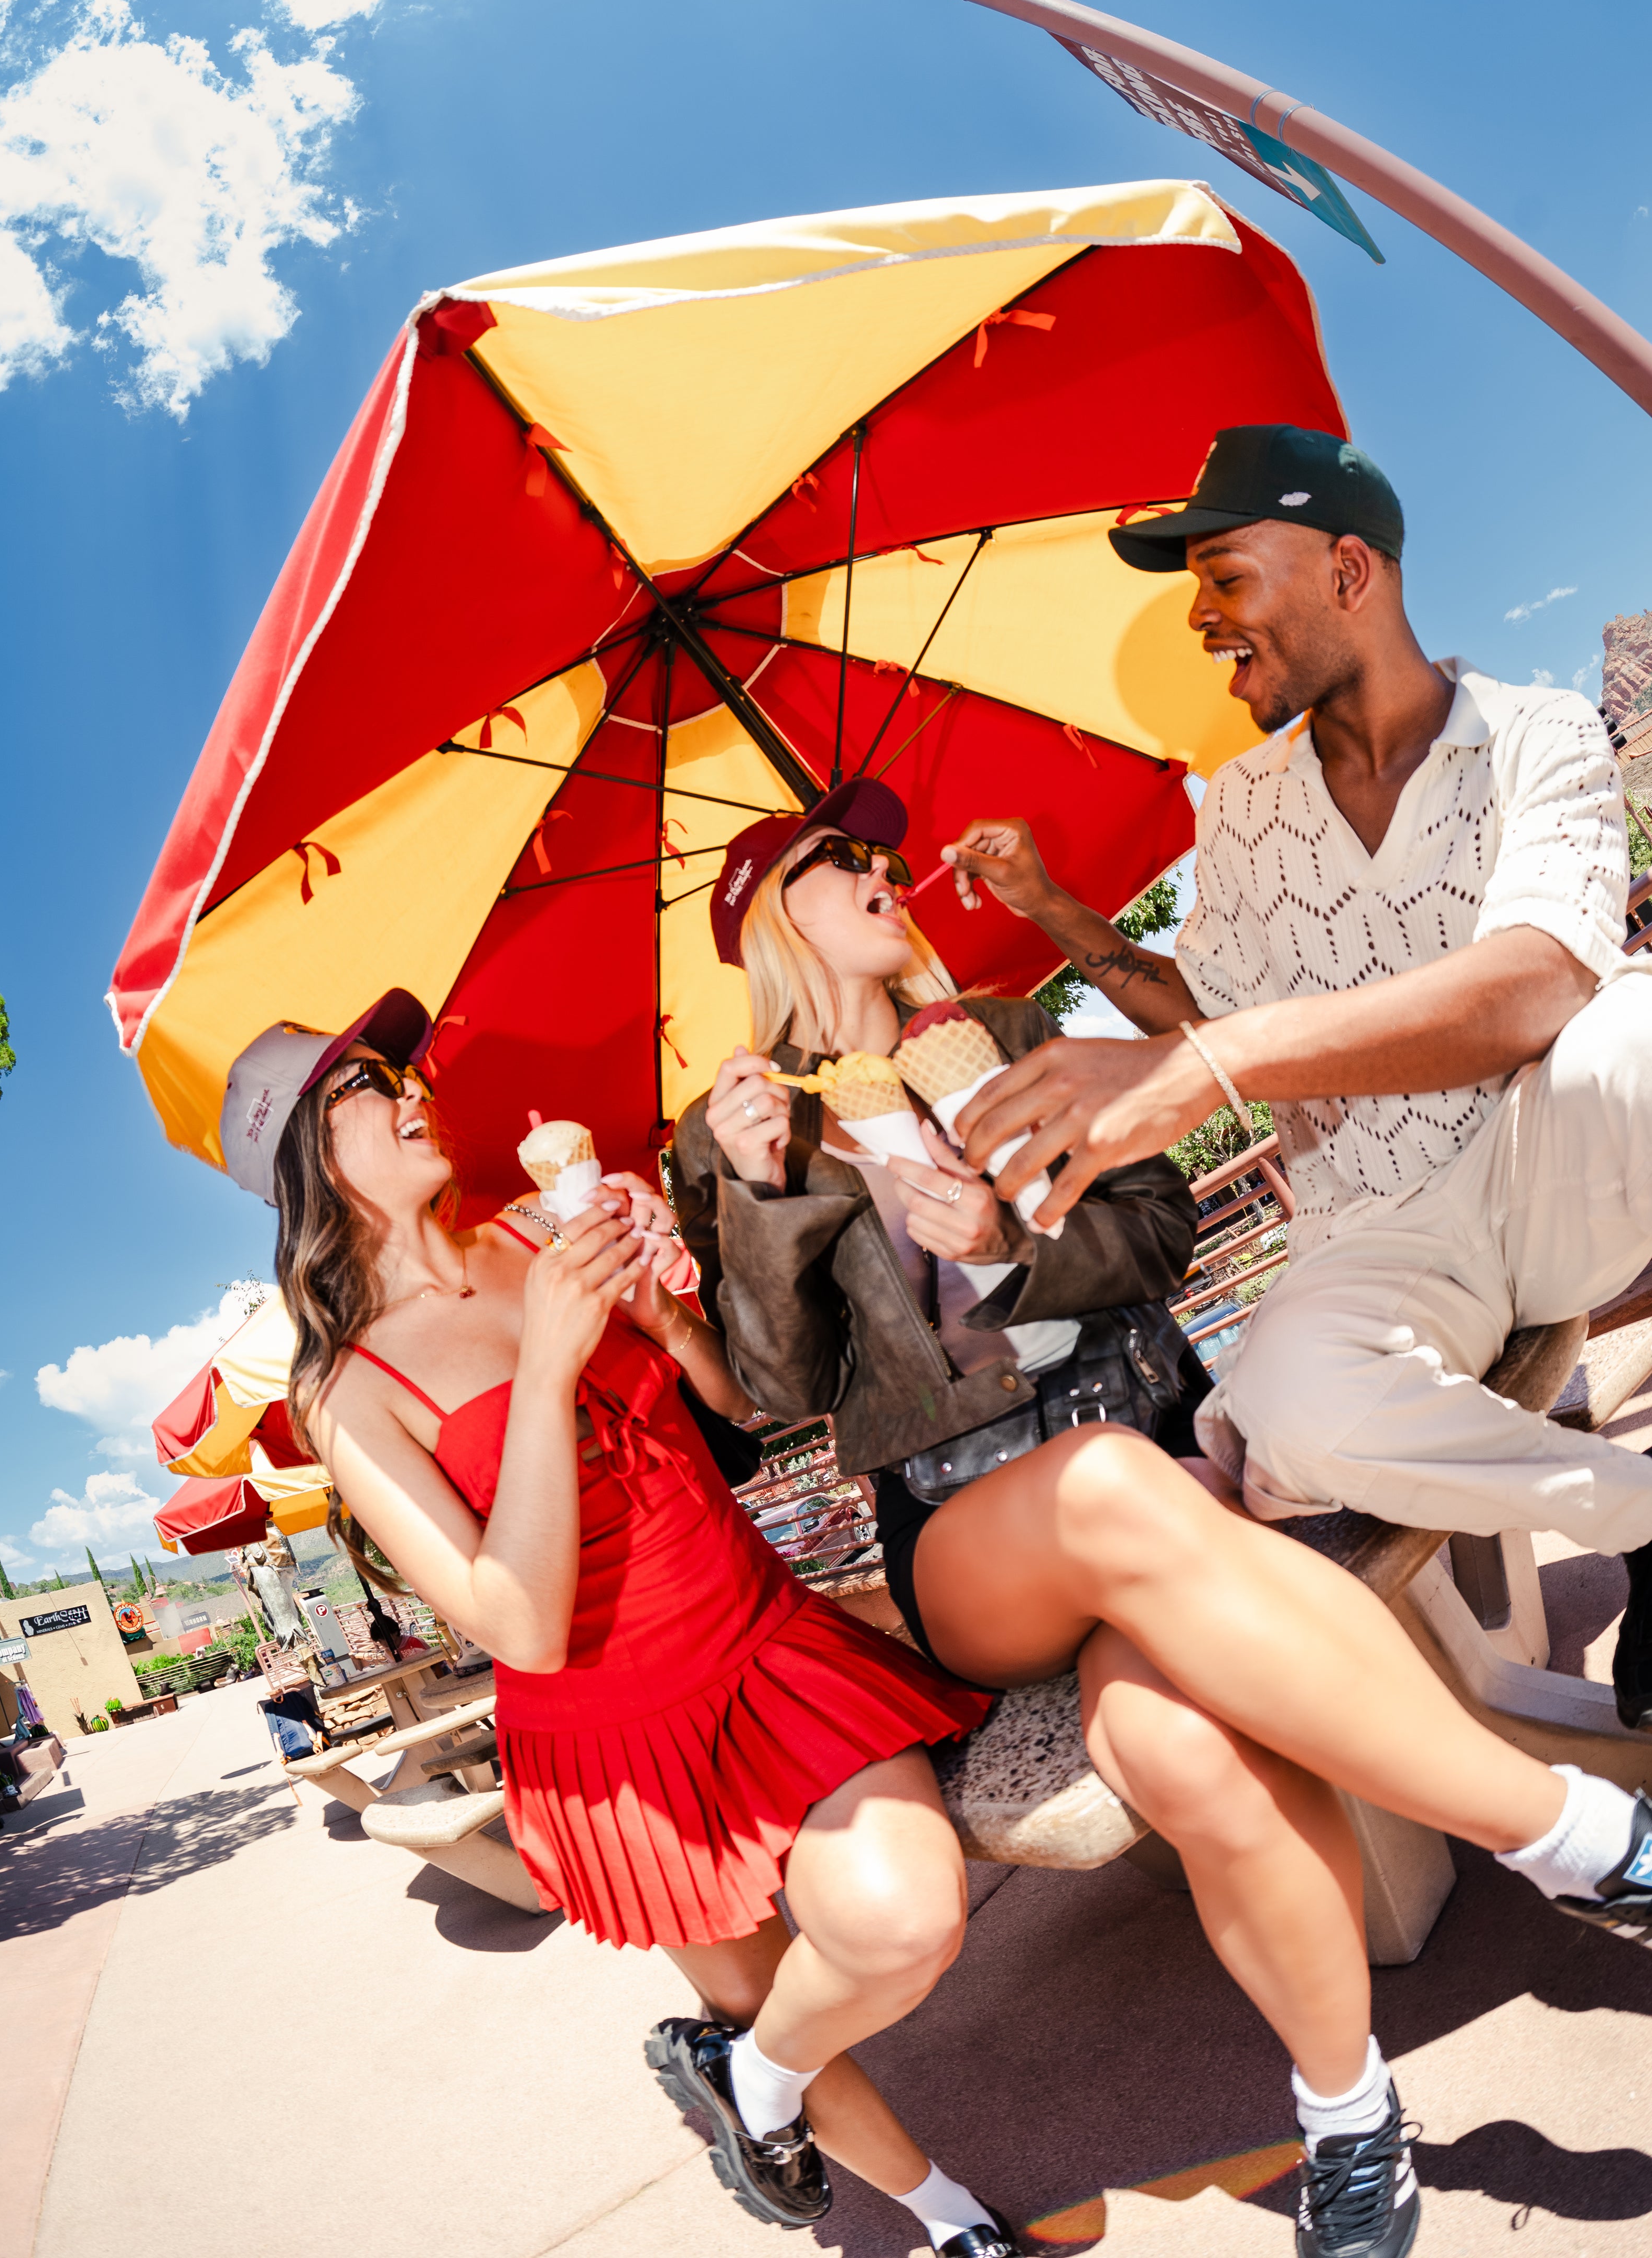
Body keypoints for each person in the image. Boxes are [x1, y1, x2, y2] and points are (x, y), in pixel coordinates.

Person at [676, 780, 1652, 2258]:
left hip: (1145, 1458)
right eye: (834, 864)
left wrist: (1011, 1241)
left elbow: (1163, 1229)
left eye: (882, 851)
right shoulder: (747, 1130)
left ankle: (1350, 2124)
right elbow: (778, 1392)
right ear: (771, 920)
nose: (881, 872)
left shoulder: (1014, 1038)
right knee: (1105, 1492)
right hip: (970, 1544)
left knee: (1178, 1743)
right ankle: (1577, 1833)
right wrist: (758, 1199)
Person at [218, 990, 1017, 2257]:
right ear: (308, 1147)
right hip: (617, 1743)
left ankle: (749, 2086)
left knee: (900, 1922)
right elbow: (513, 1624)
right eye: (373, 1079)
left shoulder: (536, 1234)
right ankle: (949, 2219)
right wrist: (543, 1363)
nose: (414, 1086)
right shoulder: (349, 1391)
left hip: (764, 1644)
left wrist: (663, 1318)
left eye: (402, 1065)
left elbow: (744, 1427)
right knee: (761, 1990)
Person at [936, 423, 1652, 1726]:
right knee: (1296, 1412)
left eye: (1225, 578)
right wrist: (1054, 908)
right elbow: (1208, 1012)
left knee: (1639, 1030)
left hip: (1541, 1171)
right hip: (1371, 1232)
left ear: (1346, 572)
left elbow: (1541, 980)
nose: (1202, 620)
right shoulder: (1248, 808)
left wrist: (1223, 1057)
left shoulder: (1537, 731)